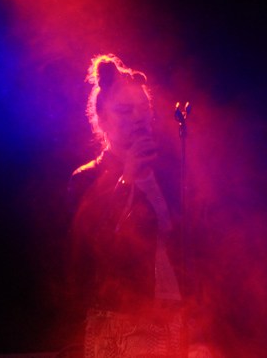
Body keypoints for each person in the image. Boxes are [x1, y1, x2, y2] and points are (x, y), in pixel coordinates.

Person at [67, 54, 186, 358]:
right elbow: (94, 251)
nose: (138, 117)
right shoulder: (87, 178)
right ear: (102, 119)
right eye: (125, 110)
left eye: (144, 109)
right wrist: (127, 178)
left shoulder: (168, 176)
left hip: (173, 317)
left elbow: (190, 250)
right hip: (119, 321)